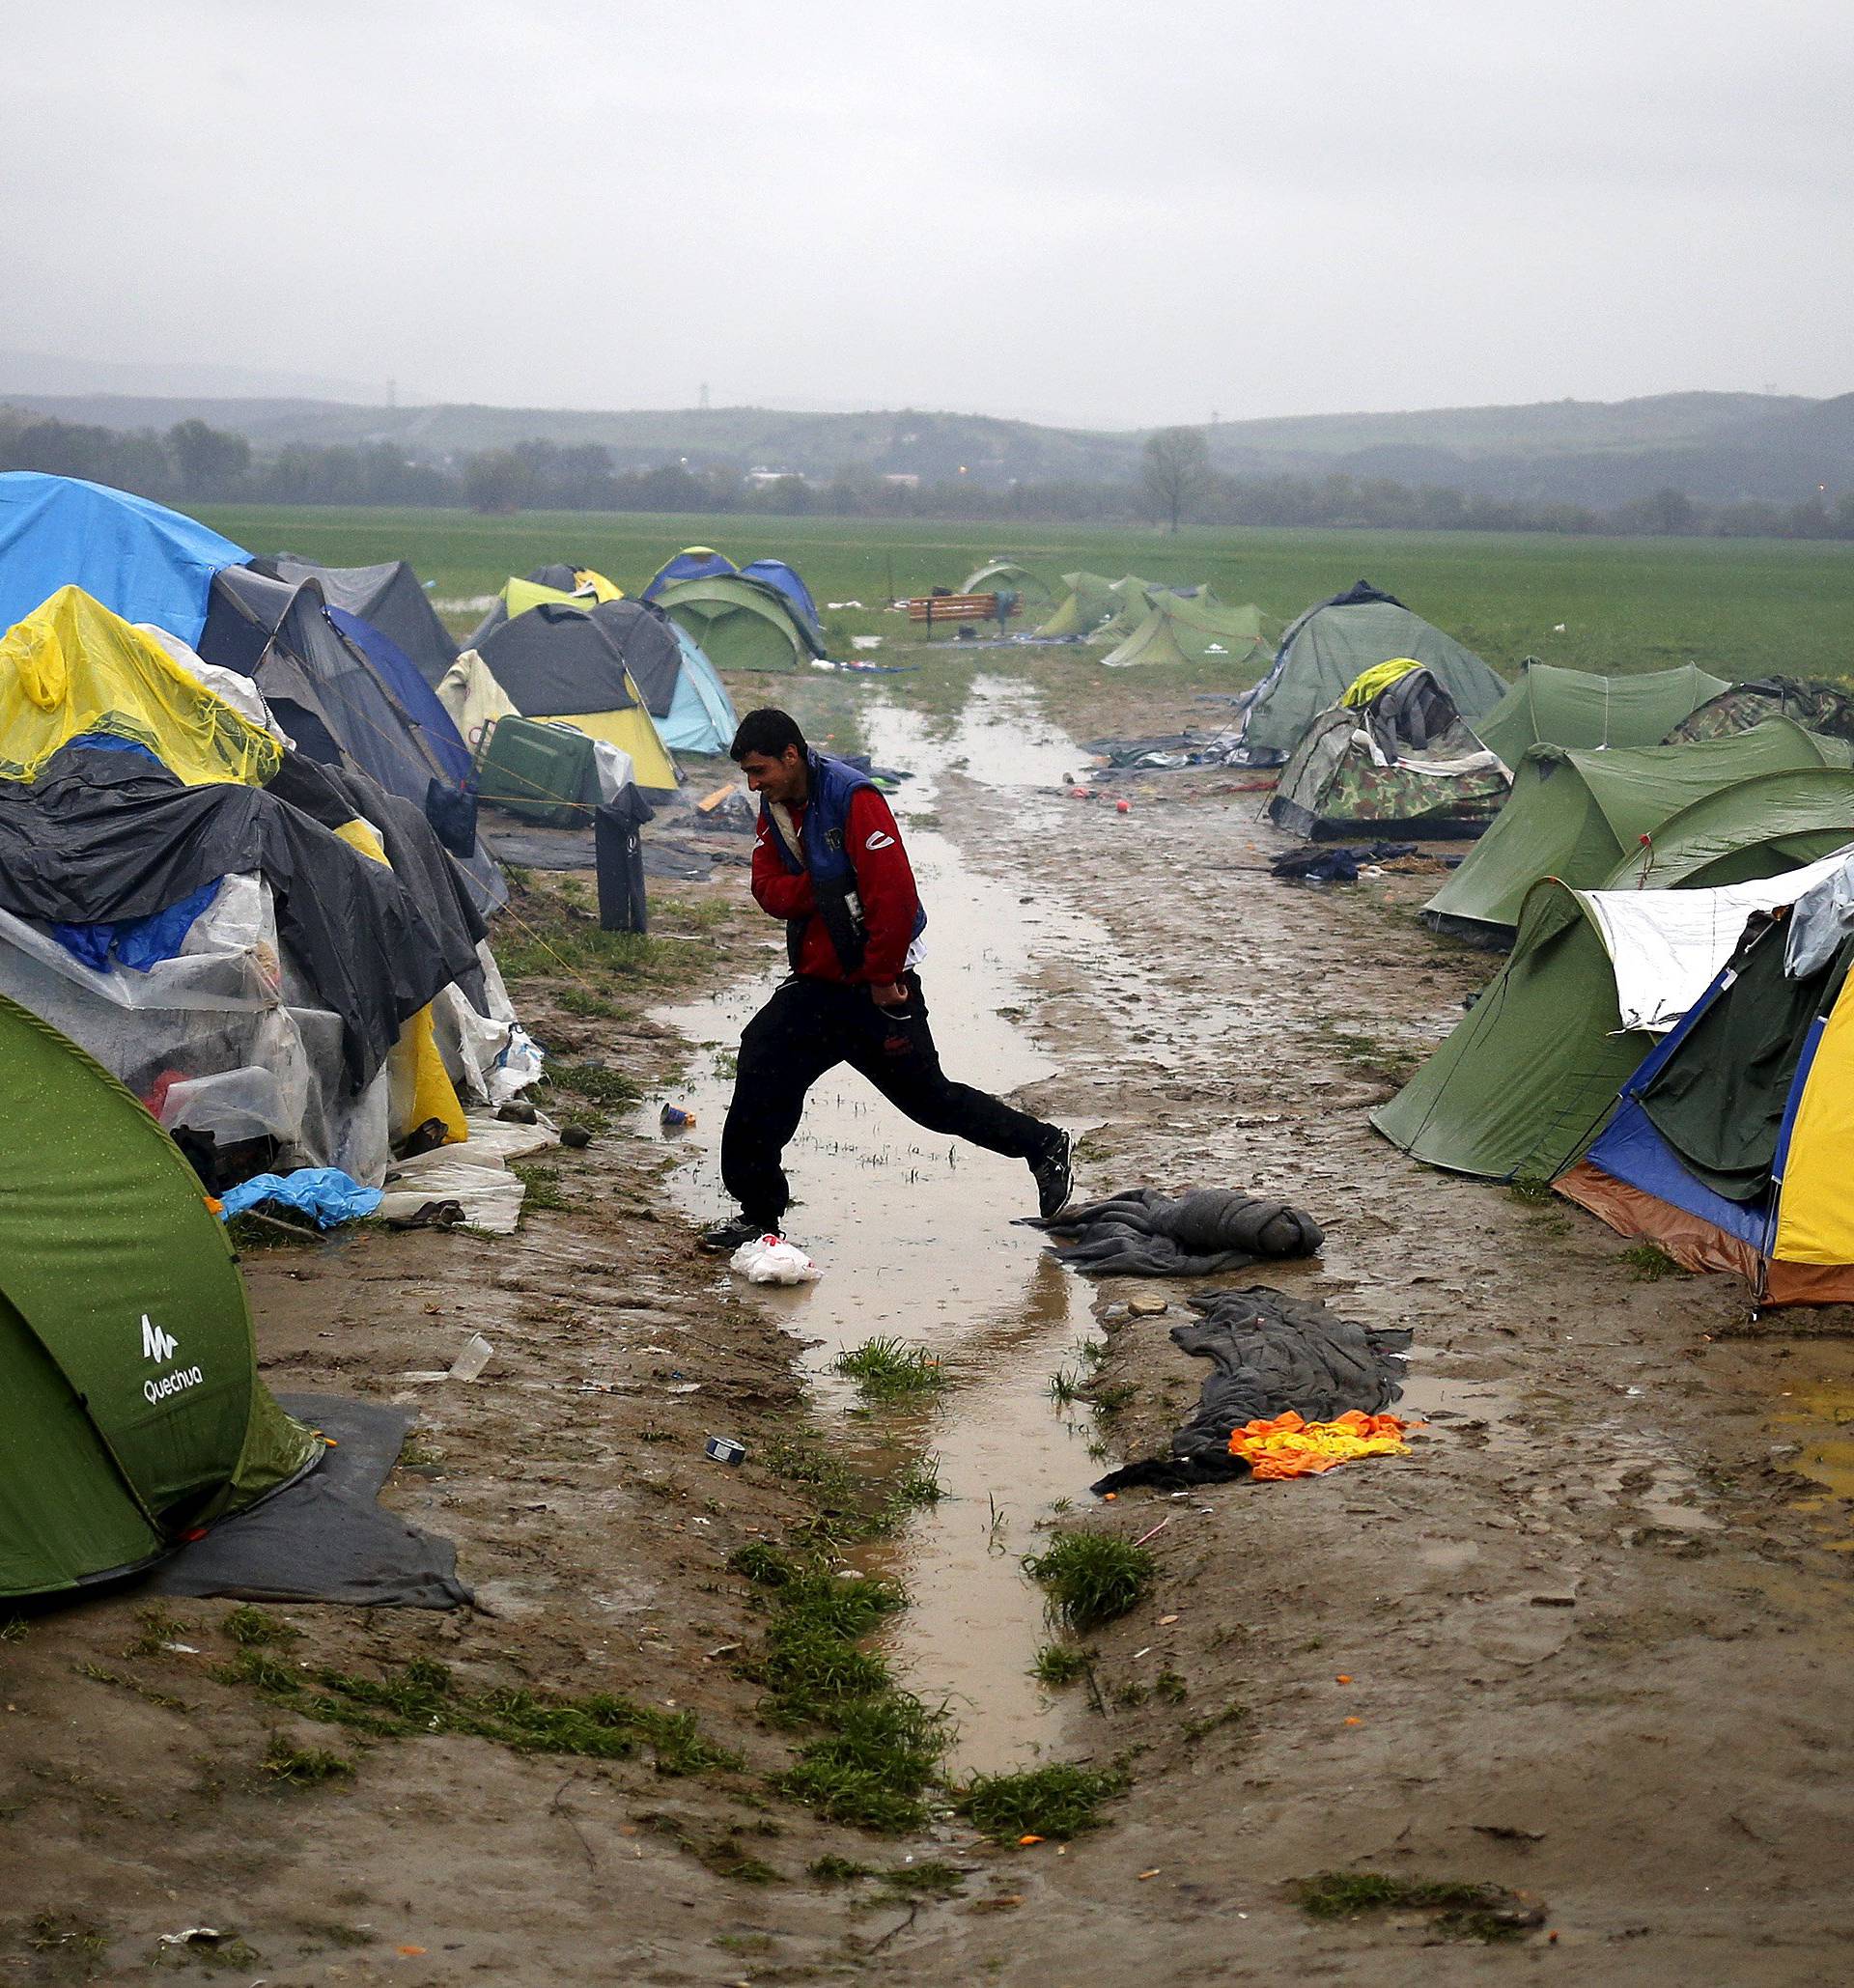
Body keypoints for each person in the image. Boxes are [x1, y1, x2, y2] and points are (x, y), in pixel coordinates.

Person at [699, 707, 1071, 1251]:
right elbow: (768, 892)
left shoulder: (855, 799)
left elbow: (892, 897)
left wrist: (881, 976)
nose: (755, 785)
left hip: (878, 986)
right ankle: (759, 1215)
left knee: (930, 1102)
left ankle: (1043, 1144)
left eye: (761, 771)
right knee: (761, 1061)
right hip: (815, 984)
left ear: (792, 755)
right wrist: (826, 890)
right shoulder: (775, 807)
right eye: (749, 776)